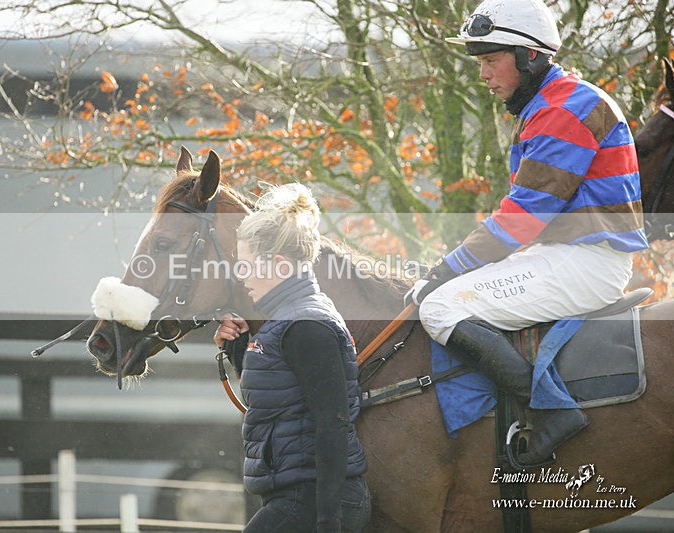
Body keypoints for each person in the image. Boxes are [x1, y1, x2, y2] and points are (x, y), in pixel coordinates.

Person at [407, 0, 648, 467]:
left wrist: (443, 271)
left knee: (439, 306)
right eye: (481, 62)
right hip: (566, 258)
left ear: (530, 56)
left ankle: (551, 413)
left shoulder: (566, 108)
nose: (484, 75)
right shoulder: (550, 104)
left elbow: (521, 219)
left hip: (585, 263)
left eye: (491, 60)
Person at [214, 183, 370, 532]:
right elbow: (277, 403)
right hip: (297, 496)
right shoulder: (284, 321)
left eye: (247, 266)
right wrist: (239, 347)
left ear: (281, 266)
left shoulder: (306, 325)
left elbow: (334, 423)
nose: (241, 276)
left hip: (316, 501)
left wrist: (328, 521)